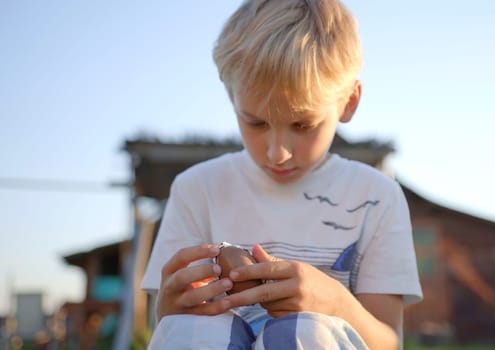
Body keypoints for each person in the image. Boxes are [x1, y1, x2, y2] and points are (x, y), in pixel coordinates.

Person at [140, 0, 422, 349]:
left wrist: (334, 302)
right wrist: (169, 311)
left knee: (305, 332)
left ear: (349, 101)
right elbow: (169, 330)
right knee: (199, 332)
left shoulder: (376, 195)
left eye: (302, 124)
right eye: (256, 122)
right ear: (232, 97)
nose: (278, 153)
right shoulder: (196, 189)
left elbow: (389, 342)